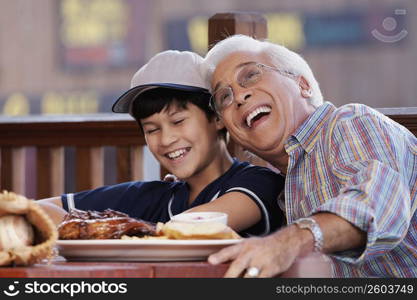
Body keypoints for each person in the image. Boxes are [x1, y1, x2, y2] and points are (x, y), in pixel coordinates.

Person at [202, 34, 417, 277]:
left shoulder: (349, 122)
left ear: (303, 85)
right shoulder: (287, 186)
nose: (239, 97)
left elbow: (377, 203)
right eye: (224, 97)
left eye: (251, 75)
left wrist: (288, 242)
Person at [39, 50, 285, 237]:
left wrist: (104, 227)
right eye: (152, 129)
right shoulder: (155, 197)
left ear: (217, 117)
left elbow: (185, 231)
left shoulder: (259, 184)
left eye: (178, 121)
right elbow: (36, 210)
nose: (166, 139)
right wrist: (88, 224)